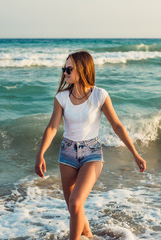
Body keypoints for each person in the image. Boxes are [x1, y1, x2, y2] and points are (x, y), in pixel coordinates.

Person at [34, 51, 146, 240]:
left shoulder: (99, 95)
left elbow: (117, 125)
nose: (65, 73)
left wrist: (135, 154)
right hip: (67, 154)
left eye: (69, 69)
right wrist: (40, 154)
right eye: (64, 69)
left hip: (92, 153)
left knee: (76, 203)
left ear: (82, 69)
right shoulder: (61, 98)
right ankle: (89, 236)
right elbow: (52, 127)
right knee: (73, 207)